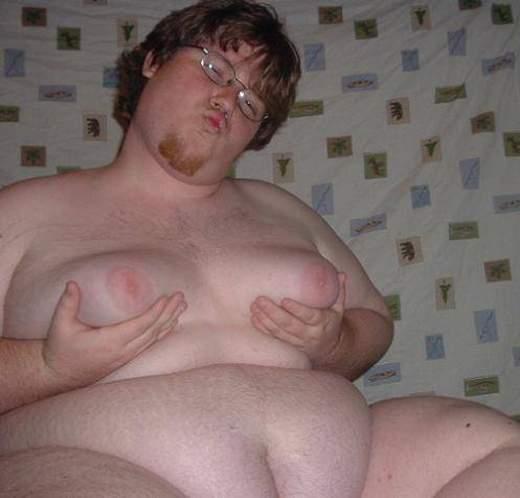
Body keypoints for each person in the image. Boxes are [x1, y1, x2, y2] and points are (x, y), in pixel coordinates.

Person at [0, 1, 518, 497]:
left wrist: (335, 344)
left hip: (352, 474)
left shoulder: (282, 209)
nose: (228, 100)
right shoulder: (24, 210)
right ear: (154, 61)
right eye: (215, 69)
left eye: (251, 101)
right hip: (88, 464)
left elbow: (374, 321)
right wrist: (46, 366)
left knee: (500, 455)